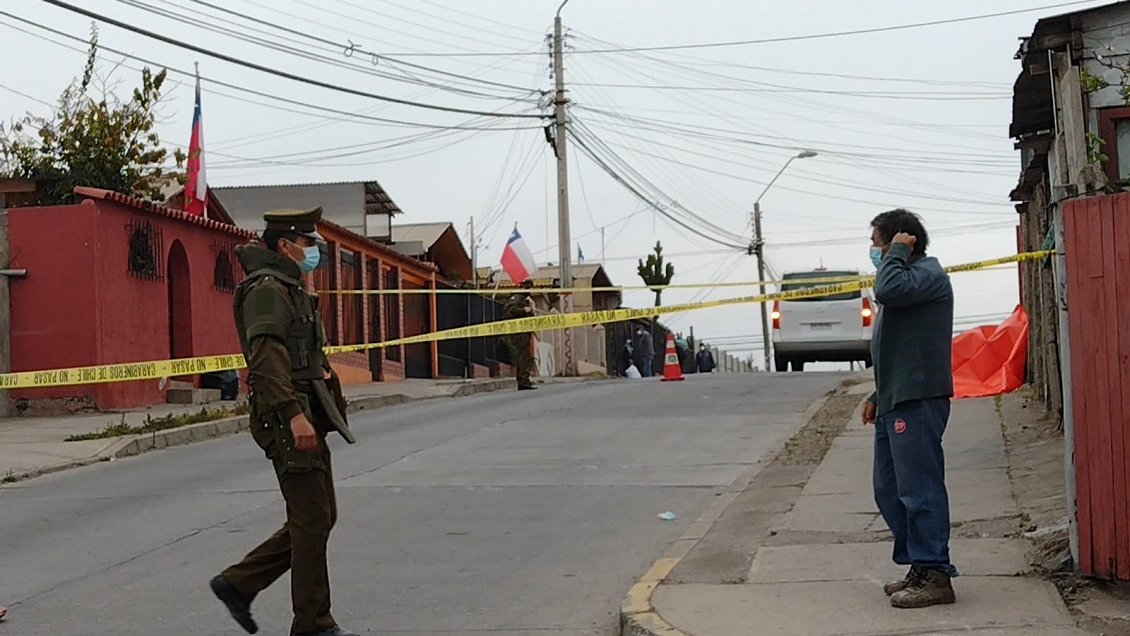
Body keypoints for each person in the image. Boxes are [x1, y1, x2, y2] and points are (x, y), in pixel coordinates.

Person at [211, 207, 359, 636]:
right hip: (286, 416)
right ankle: (313, 623)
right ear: (285, 245)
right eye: (308, 244)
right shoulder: (268, 290)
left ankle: (238, 584)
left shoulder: (290, 287)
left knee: (320, 516)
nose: (313, 252)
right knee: (312, 518)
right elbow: (266, 358)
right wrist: (293, 414)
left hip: (306, 411)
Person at [862, 209, 957, 610]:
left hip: (918, 400)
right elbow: (894, 349)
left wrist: (896, 252)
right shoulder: (903, 279)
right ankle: (919, 564)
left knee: (920, 490)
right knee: (889, 490)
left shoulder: (924, 277)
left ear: (904, 240)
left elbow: (887, 291)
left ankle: (935, 572)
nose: (874, 252)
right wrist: (876, 394)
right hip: (895, 398)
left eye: (879, 243)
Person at [504, 279, 537, 391]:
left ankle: (525, 380)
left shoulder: (524, 299)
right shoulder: (516, 298)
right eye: (529, 287)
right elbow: (510, 310)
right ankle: (522, 381)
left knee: (526, 356)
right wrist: (524, 310)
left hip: (525, 331)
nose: (530, 290)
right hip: (519, 332)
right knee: (522, 357)